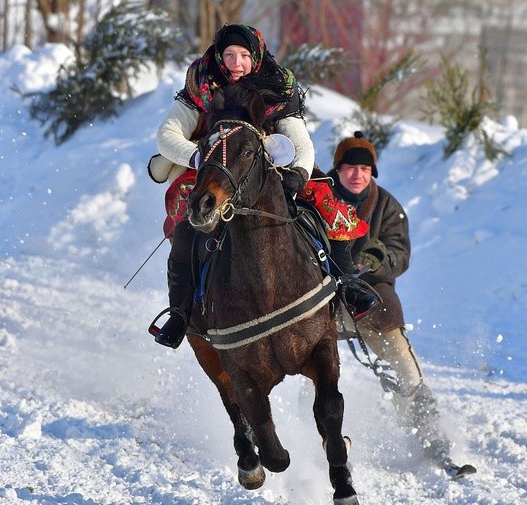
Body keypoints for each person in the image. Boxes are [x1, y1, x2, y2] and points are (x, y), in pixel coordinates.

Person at [147, 24, 378, 349]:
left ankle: (346, 283)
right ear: (219, 55)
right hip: (213, 163)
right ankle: (180, 313)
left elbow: (299, 140)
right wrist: (201, 157)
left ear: (255, 56)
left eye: (243, 55)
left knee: (324, 197)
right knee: (189, 215)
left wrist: (298, 172)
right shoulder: (202, 78)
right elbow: (167, 135)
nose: (235, 63)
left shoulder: (278, 83)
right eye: (229, 55)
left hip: (268, 160)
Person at [325, 131, 466, 471]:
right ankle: (303, 432)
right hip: (322, 292)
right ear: (337, 169)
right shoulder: (318, 195)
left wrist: (379, 258)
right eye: (349, 167)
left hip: (373, 295)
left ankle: (431, 439)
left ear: (373, 172)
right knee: (307, 365)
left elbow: (400, 253)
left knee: (405, 365)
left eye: (364, 168)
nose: (357, 175)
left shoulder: (387, 206)